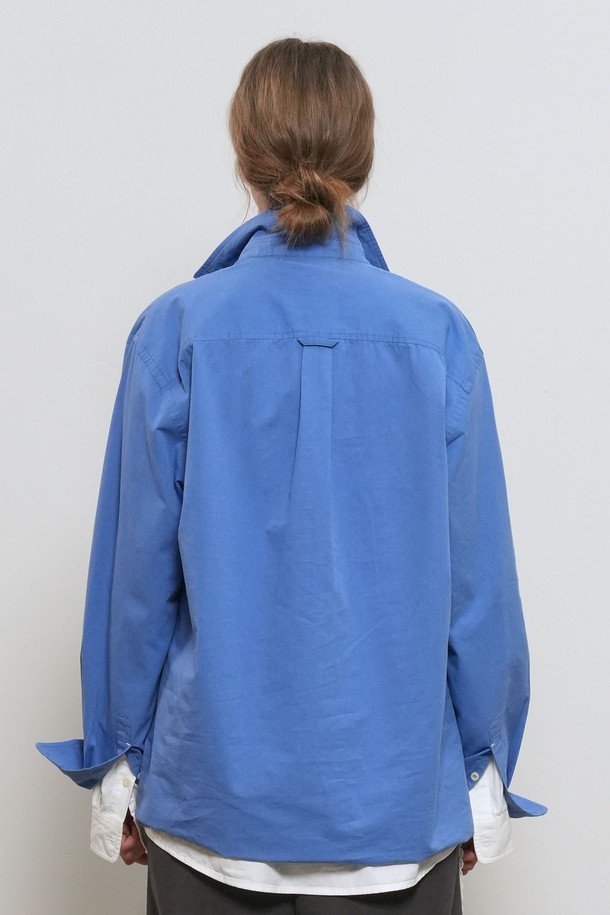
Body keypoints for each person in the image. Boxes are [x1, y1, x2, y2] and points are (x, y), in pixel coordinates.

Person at [37, 37, 546, 914]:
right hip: (394, 816)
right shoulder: (438, 337)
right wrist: (482, 778)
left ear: (246, 152)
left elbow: (132, 589)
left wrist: (118, 770)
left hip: (211, 812)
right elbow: (479, 589)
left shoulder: (175, 331)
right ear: (363, 154)